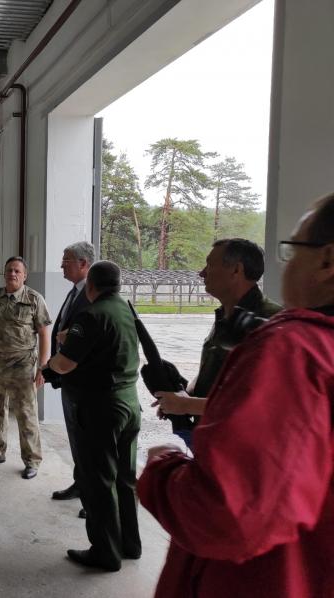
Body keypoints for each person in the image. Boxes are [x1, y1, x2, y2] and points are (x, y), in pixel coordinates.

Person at [137, 194, 334, 597]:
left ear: (328, 260)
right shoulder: (247, 326)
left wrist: (163, 469)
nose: (201, 272)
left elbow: (230, 514)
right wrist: (187, 390)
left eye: (294, 248)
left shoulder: (288, 344)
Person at [46, 261, 141, 572]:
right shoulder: (125, 308)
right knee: (125, 479)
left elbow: (65, 364)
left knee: (98, 480)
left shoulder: (91, 314)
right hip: (129, 402)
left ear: (91, 286)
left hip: (102, 408)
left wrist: (46, 367)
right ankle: (129, 543)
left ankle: (105, 552)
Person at [153, 239, 281, 448]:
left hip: (243, 449)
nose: (202, 272)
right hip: (213, 440)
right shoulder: (228, 315)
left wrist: (187, 405)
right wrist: (185, 394)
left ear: (236, 270)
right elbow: (217, 369)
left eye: (210, 264)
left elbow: (260, 403)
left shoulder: (268, 323)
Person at [0, 256, 51, 480]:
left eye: (17, 271)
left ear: (25, 275)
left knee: (26, 413)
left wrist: (43, 368)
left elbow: (45, 333)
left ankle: (31, 461)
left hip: (23, 364)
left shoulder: (34, 299)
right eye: (9, 270)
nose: (12, 274)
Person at [49, 242, 94, 503]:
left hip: (84, 378)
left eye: (67, 260)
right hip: (70, 378)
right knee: (76, 437)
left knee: (89, 442)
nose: (61, 265)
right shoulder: (75, 291)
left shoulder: (91, 294)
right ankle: (81, 483)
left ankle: (93, 497)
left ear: (83, 264)